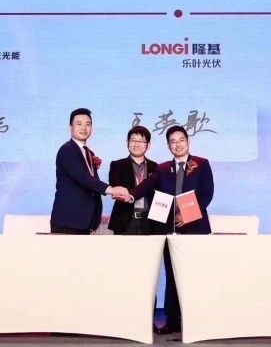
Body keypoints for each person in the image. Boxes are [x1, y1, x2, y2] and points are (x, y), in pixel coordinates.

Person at [130, 125, 214, 333]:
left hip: (195, 229)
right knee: (172, 274)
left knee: (195, 275)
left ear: (188, 141)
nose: (178, 145)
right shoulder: (163, 168)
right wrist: (130, 194)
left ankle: (199, 320)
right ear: (168, 146)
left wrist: (187, 215)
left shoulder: (202, 164)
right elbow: (147, 187)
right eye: (173, 142)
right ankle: (173, 321)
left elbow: (207, 194)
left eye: (181, 140)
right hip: (170, 230)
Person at [50, 108, 130, 234]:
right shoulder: (67, 150)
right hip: (67, 221)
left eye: (88, 124)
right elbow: (82, 177)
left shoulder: (89, 153)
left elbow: (92, 183)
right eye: (79, 124)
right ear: (70, 127)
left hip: (85, 222)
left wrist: (115, 193)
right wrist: (111, 189)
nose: (84, 127)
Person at [107, 126, 159, 235]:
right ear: (127, 143)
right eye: (133, 140)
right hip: (125, 221)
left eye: (141, 141)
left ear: (148, 145)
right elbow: (116, 189)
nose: (136, 144)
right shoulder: (117, 165)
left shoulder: (156, 167)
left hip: (149, 222)